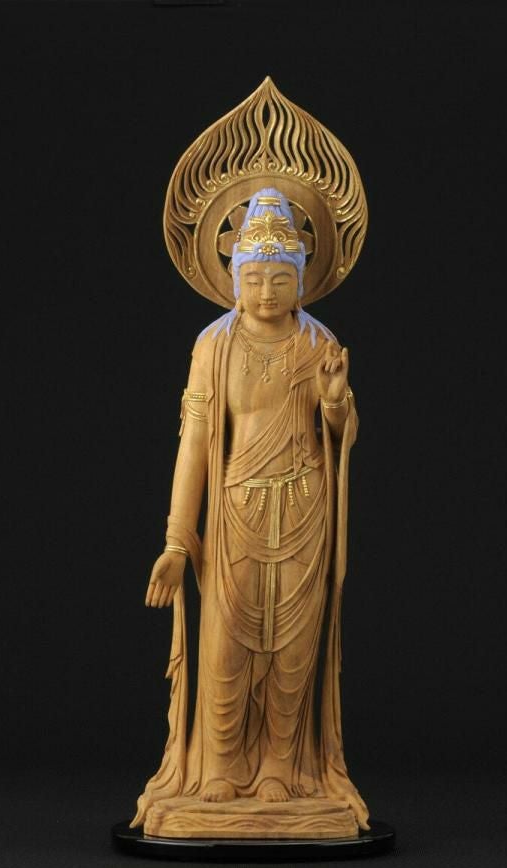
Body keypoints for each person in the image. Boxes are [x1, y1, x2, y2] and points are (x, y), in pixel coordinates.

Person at [131, 188, 368, 830]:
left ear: (302, 282)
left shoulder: (319, 342)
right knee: (228, 644)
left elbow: (341, 436)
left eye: (281, 279)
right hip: (234, 511)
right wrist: (177, 541)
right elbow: (194, 444)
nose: (266, 292)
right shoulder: (213, 346)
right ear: (234, 281)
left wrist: (336, 401)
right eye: (255, 278)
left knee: (293, 647)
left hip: (305, 507)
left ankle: (281, 768)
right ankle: (221, 764)